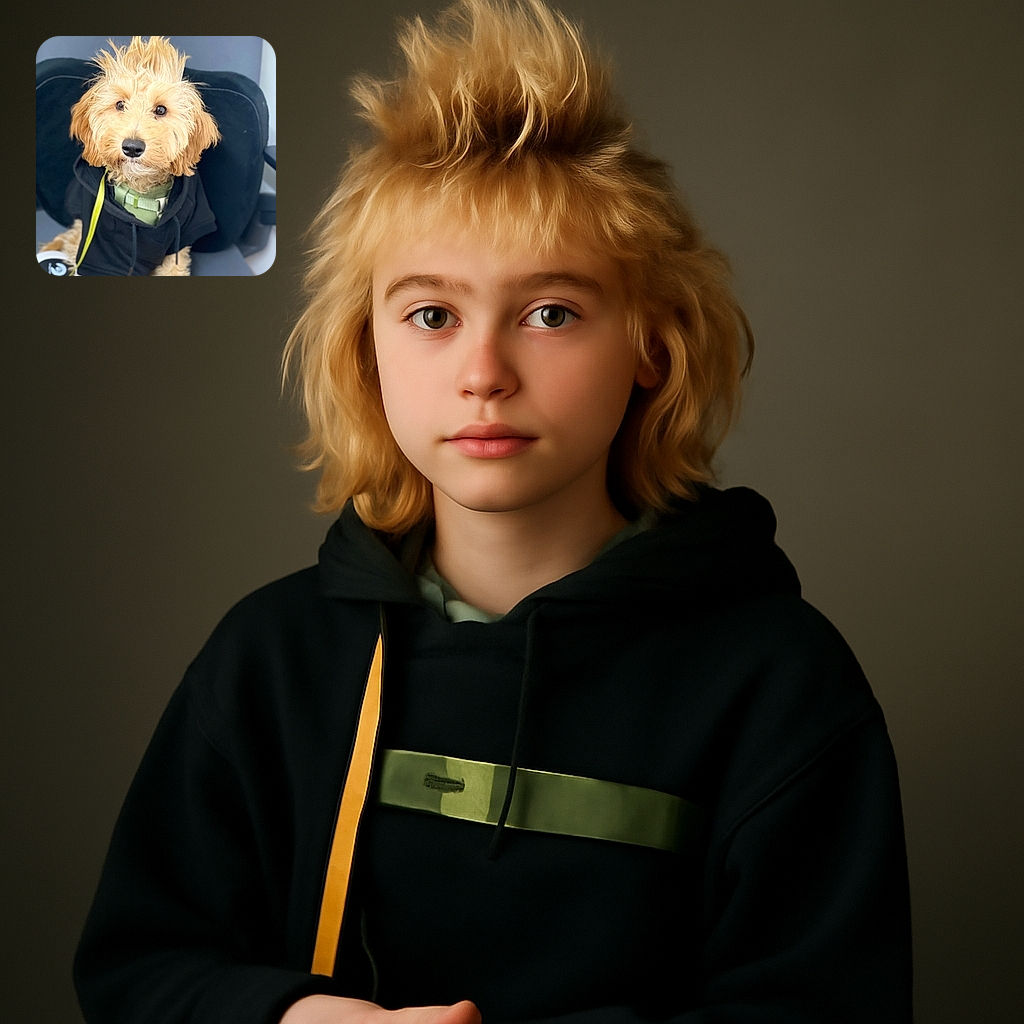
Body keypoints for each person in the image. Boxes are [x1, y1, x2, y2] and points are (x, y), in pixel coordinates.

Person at [74, 1, 912, 1022]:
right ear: (365, 352)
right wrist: (289, 1016)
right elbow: (138, 967)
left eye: (549, 313)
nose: (483, 373)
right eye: (430, 315)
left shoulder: (781, 686)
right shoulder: (269, 660)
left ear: (651, 346)